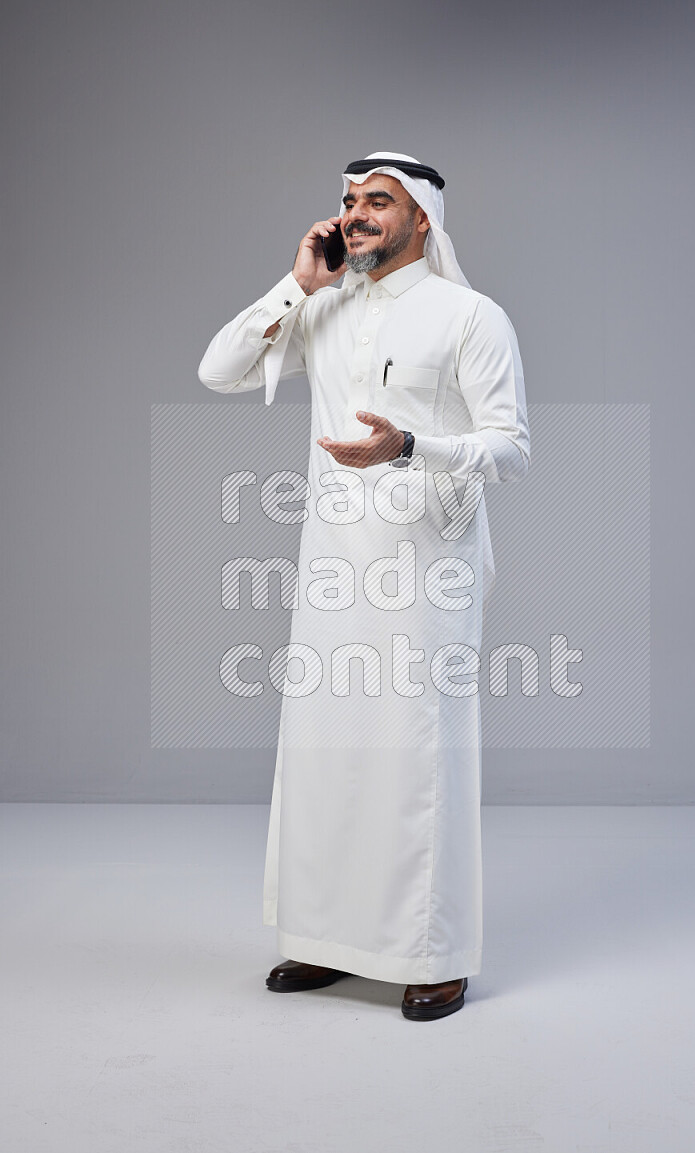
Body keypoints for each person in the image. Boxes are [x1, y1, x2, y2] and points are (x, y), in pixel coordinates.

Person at [198, 152, 530, 1020]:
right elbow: (217, 370)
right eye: (348, 202)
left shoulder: (471, 316)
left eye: (378, 201)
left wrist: (412, 446)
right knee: (326, 752)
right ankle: (323, 940)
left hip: (427, 567)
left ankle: (435, 952)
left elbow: (511, 447)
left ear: (423, 218)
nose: (356, 215)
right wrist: (295, 283)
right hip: (333, 569)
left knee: (421, 757)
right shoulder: (325, 308)